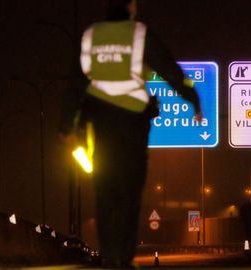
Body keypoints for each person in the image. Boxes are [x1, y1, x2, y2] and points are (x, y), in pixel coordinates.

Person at [59, 0, 202, 267]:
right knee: (129, 190)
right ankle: (123, 259)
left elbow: (76, 82)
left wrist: (66, 125)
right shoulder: (139, 34)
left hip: (101, 120)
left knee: (105, 189)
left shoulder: (91, 35)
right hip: (132, 122)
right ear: (131, 6)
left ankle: (110, 256)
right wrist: (192, 97)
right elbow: (168, 68)